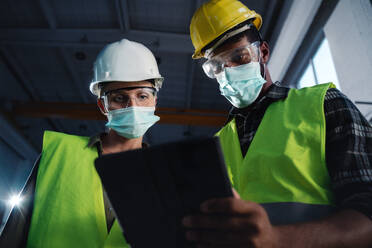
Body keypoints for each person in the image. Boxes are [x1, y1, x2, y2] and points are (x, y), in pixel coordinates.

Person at [183, 0, 372, 247]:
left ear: (263, 52)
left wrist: (277, 239)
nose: (228, 71)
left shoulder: (324, 105)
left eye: (239, 56)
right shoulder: (214, 145)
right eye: (216, 66)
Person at [0, 38, 163, 247]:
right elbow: (13, 235)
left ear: (154, 101)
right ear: (102, 105)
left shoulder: (162, 175)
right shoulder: (58, 153)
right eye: (120, 98)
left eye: (142, 96)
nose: (132, 106)